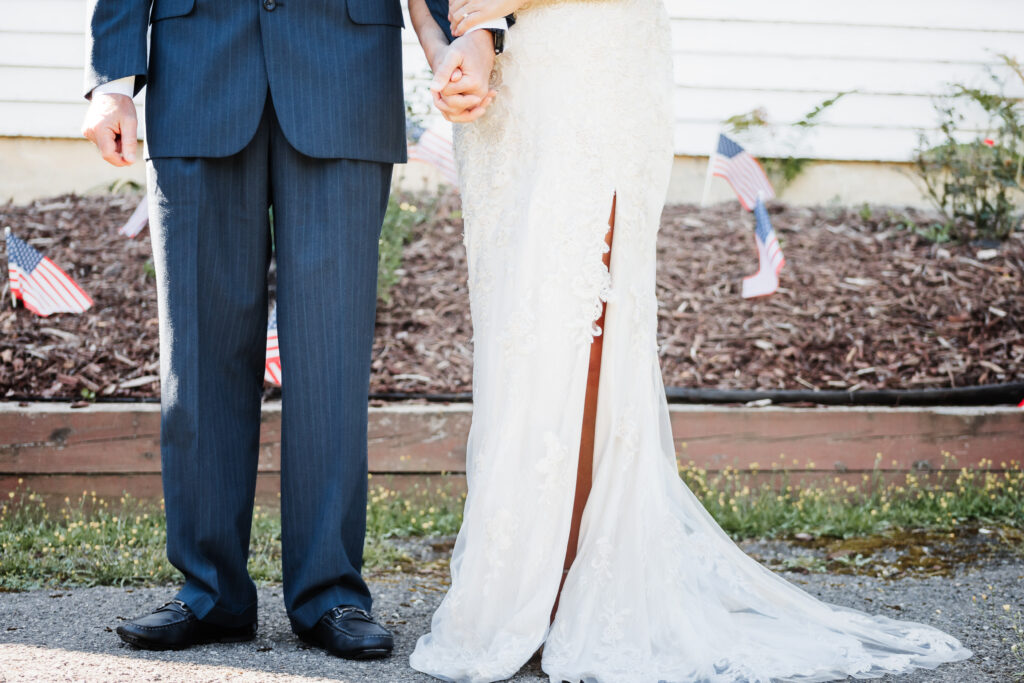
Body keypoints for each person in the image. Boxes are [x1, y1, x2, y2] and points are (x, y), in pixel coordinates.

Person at [407, 0, 974, 681]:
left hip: (595, 57)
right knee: (517, 322)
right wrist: (446, 47)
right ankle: (515, 577)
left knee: (580, 307)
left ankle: (567, 581)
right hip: (503, 92)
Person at [78, 0, 434, 659]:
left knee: (330, 357)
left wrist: (470, 36)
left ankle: (331, 591)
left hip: (345, 69)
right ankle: (210, 590)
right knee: (199, 355)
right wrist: (112, 80)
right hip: (196, 69)